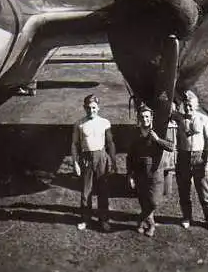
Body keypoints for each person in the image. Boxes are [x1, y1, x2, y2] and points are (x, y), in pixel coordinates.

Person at [174, 90, 208, 234]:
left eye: (191, 106)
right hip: (183, 157)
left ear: (197, 105)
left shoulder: (203, 119)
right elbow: (167, 104)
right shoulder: (179, 118)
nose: (188, 108)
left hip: (199, 158)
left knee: (204, 191)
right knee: (184, 190)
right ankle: (187, 217)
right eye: (186, 105)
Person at [127, 104, 175, 237]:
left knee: (154, 202)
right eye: (142, 117)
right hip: (139, 173)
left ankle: (142, 220)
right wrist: (130, 174)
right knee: (143, 200)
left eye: (147, 116)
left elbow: (171, 147)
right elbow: (130, 156)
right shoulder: (135, 133)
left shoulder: (159, 130)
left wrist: (158, 140)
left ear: (152, 118)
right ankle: (150, 223)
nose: (145, 119)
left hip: (156, 173)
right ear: (138, 118)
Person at [71, 94, 117, 232]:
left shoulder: (105, 122)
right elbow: (74, 144)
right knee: (86, 191)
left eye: (94, 107)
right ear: (84, 108)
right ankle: (85, 219)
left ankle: (104, 220)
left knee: (103, 189)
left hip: (101, 157)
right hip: (86, 157)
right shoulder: (79, 124)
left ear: (98, 107)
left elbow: (110, 143)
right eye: (89, 108)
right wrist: (75, 162)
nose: (92, 110)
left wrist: (113, 161)